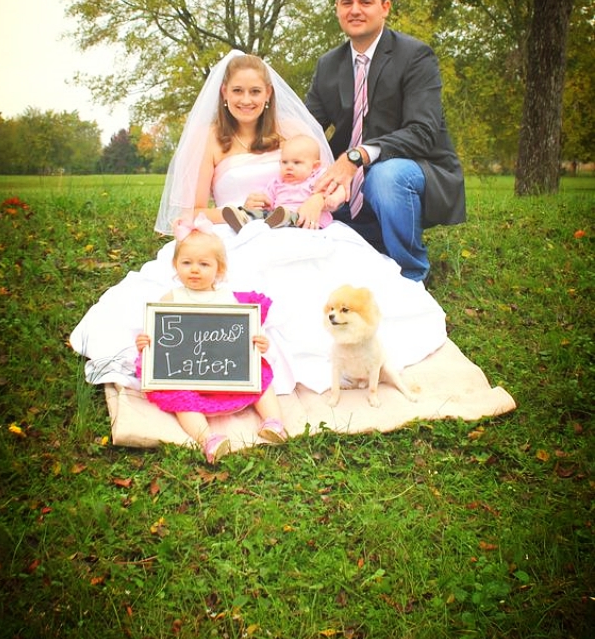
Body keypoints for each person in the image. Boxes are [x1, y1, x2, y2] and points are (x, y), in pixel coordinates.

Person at [70, 51, 449, 400]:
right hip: (237, 230)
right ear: (224, 93)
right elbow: (193, 212)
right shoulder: (211, 139)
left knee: (334, 278)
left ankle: (348, 355)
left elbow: (325, 177)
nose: (246, 99)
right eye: (237, 91)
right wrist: (236, 207)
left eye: (254, 91)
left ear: (268, 93)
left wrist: (316, 198)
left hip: (299, 226)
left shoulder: (288, 131)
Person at [305, 0, 466, 281]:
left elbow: (423, 131)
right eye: (346, 2)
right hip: (347, 184)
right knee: (300, 170)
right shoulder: (328, 64)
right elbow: (308, 129)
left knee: (385, 175)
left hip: (414, 168)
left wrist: (358, 156)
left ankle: (411, 273)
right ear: (337, 9)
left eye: (365, 2)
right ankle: (359, 245)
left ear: (385, 7)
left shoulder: (415, 56)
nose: (355, 10)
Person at [135, 218, 287, 463]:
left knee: (260, 376)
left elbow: (242, 336)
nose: (194, 269)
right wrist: (145, 343)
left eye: (204, 264)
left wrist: (259, 343)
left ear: (220, 269)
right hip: (188, 371)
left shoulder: (229, 300)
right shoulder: (171, 298)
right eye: (186, 263)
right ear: (175, 265)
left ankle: (273, 422)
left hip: (223, 369)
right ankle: (209, 439)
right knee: (178, 397)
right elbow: (160, 337)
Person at [221, 134, 346, 232]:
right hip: (278, 214)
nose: (289, 167)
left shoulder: (319, 177)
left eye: (296, 163)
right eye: (284, 162)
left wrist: (335, 198)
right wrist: (262, 202)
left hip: (308, 218)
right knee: (263, 214)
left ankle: (282, 219)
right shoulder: (277, 182)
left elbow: (340, 188)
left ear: (315, 166)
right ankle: (244, 218)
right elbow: (268, 200)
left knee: (291, 216)